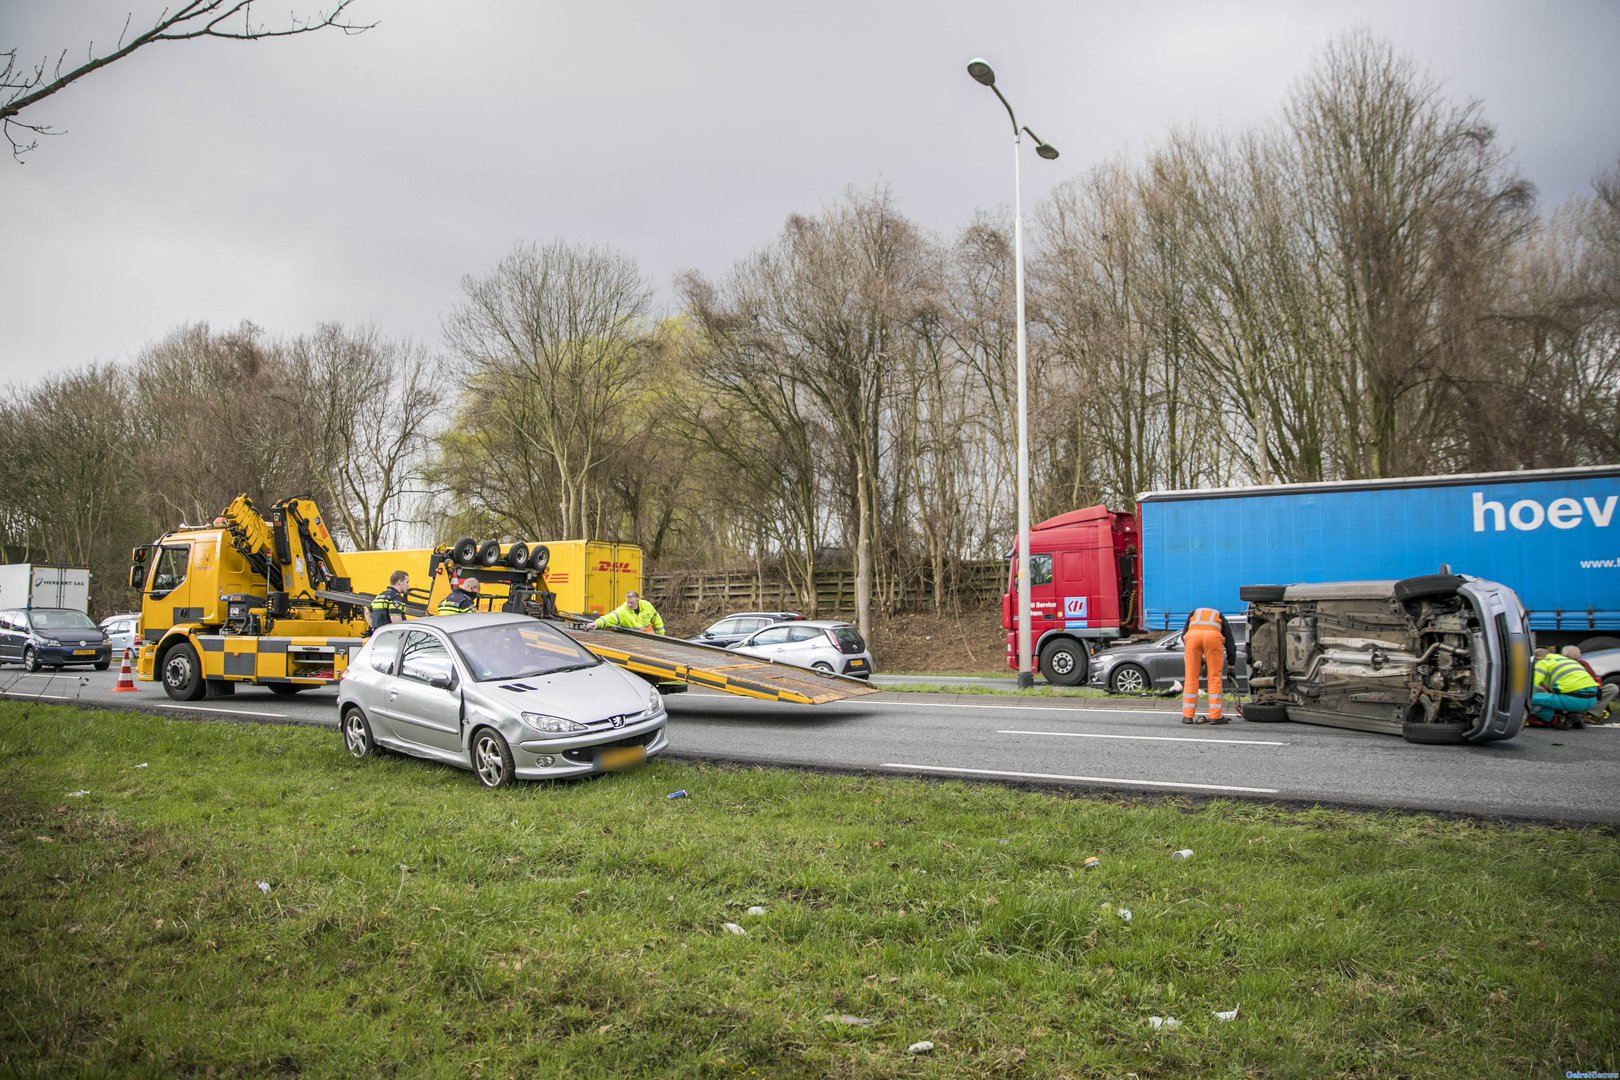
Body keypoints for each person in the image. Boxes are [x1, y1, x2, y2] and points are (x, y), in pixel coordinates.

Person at [1180, 606, 1236, 725]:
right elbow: (1230, 644)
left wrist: (1199, 660)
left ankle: (1187, 716)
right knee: (1214, 678)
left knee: (1191, 678)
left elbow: (1183, 636)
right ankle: (1215, 716)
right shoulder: (1219, 616)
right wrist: (1231, 666)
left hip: (1192, 638)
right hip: (1213, 638)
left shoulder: (1193, 614)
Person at [1528, 647, 1600, 728]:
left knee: (1526, 699)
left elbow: (1530, 684)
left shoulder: (1543, 662)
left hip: (1573, 700)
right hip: (1592, 700)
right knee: (1553, 698)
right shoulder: (1570, 661)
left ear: (1537, 658)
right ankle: (1572, 715)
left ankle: (1558, 719)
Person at [1560, 645, 1616, 722]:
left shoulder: (1583, 663)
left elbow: (1596, 679)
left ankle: (1590, 715)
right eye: (1572, 659)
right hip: (1568, 692)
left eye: (1577, 659)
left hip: (1587, 691)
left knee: (1612, 688)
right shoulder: (1558, 665)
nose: (1575, 662)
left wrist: (1597, 687)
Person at [594, 590, 665, 634]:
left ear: (637, 601)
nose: (629, 605)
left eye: (631, 602)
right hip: (633, 639)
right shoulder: (623, 610)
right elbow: (610, 617)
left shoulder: (647, 605)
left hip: (650, 638)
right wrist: (597, 623)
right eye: (628, 602)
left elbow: (657, 619)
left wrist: (661, 635)